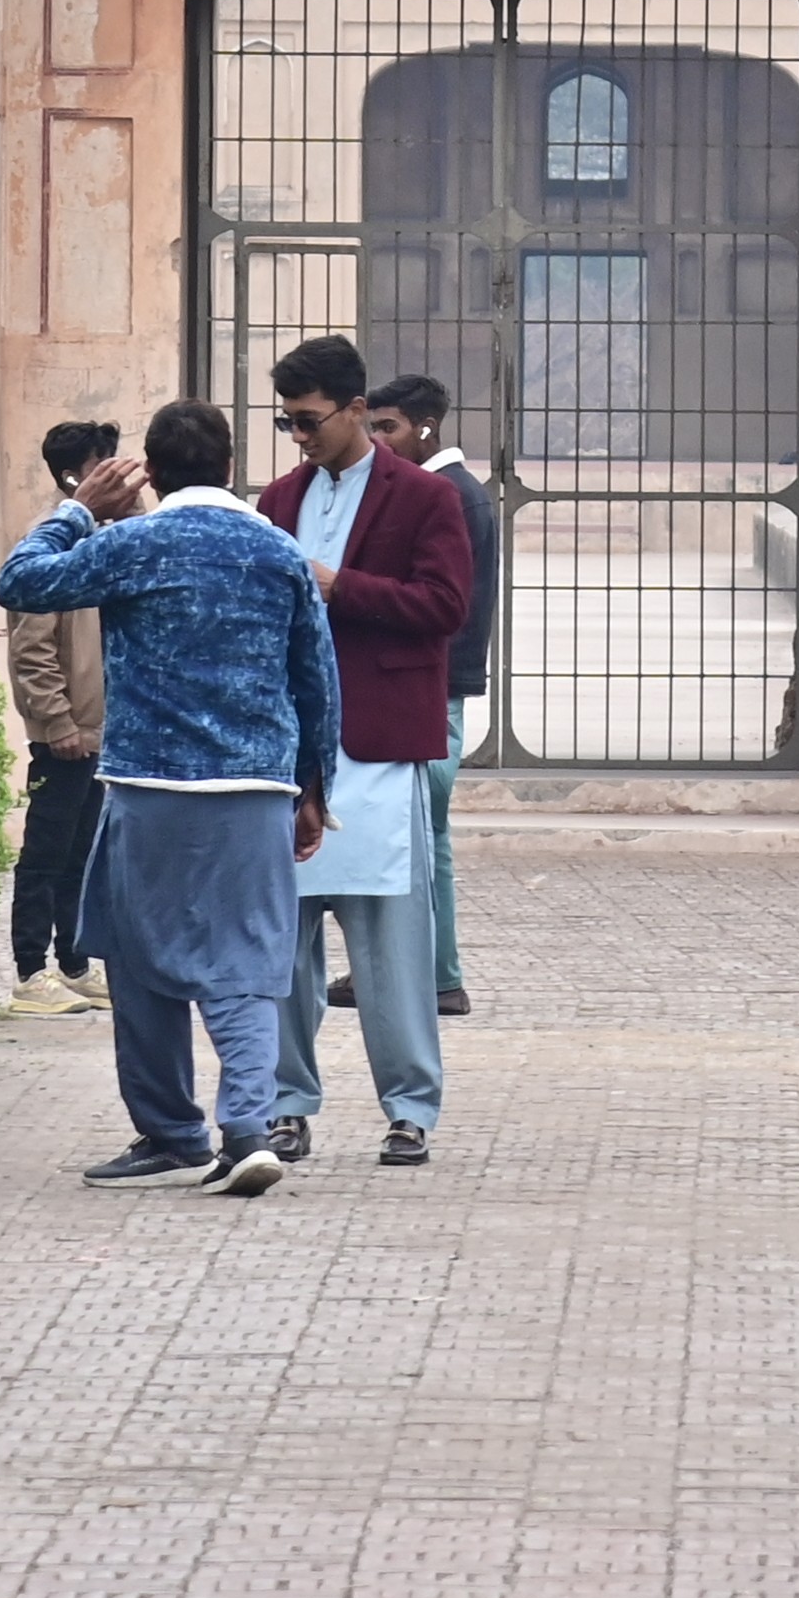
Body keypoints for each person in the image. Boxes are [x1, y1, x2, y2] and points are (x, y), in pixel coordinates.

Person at [0, 397, 334, 1195]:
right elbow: (316, 678)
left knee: (140, 959)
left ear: (150, 468)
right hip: (255, 784)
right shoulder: (278, 552)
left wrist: (78, 511)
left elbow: (21, 582)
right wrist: (315, 787)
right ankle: (249, 1125)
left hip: (149, 785)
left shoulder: (133, 544)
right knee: (249, 957)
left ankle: (170, 1130)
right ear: (227, 465)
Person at [261, 331, 472, 1163]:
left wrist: (339, 586)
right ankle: (285, 1102)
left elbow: (445, 605)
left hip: (380, 743)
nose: (301, 438)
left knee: (390, 945)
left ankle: (410, 1107)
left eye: (310, 421)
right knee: (284, 938)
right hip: (293, 749)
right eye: (288, 425)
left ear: (355, 409)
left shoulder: (426, 498)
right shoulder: (280, 499)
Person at [371, 371, 497, 1017]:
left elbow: (448, 608)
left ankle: (432, 974)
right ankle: (413, 968)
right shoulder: (448, 492)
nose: (378, 443)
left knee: (419, 837)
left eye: (387, 428)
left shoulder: (450, 496)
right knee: (416, 837)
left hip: (435, 691)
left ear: (425, 427)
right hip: (436, 688)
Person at [0, 420, 127, 1009]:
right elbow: (33, 649)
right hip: (68, 735)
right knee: (46, 854)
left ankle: (74, 961)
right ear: (75, 477)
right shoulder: (48, 545)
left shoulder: (104, 540)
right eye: (106, 466)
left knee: (82, 853)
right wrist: (57, 724)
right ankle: (30, 972)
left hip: (100, 731)